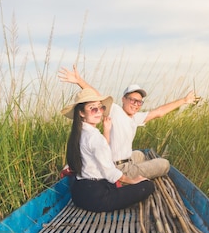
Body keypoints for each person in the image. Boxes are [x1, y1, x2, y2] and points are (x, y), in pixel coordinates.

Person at [58, 65, 198, 179]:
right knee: (164, 164)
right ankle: (129, 177)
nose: (136, 104)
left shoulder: (135, 117)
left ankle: (137, 167)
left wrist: (184, 101)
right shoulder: (115, 111)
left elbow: (159, 112)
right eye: (132, 100)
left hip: (126, 160)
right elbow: (96, 96)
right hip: (117, 167)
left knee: (140, 154)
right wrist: (79, 81)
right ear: (123, 99)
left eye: (139, 102)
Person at [61, 88, 155, 212]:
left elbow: (101, 151)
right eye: (93, 108)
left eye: (101, 108)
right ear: (81, 112)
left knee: (111, 183)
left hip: (79, 194)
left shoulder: (78, 133)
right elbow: (109, 171)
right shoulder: (94, 137)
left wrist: (107, 130)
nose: (99, 112)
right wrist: (132, 181)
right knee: (148, 186)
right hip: (96, 198)